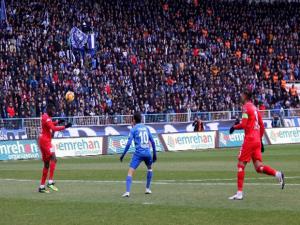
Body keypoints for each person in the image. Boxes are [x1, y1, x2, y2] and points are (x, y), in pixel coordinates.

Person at [228, 90, 285, 200]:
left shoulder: (245, 107)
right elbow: (262, 126)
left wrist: (234, 127)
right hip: (257, 141)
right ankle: (278, 174)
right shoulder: (255, 108)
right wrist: (260, 140)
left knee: (241, 165)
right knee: (259, 167)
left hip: (249, 140)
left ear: (245, 96)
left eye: (241, 95)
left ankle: (239, 193)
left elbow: (244, 124)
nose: (240, 96)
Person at [120, 112, 157, 197]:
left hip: (138, 153)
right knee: (150, 169)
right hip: (148, 153)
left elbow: (129, 143)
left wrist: (123, 155)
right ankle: (147, 189)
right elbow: (153, 142)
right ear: (141, 119)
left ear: (134, 120)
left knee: (130, 172)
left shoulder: (133, 129)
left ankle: (127, 192)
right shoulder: (146, 128)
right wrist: (155, 154)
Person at [38, 102, 72, 193]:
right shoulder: (46, 117)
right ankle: (50, 182)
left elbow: (50, 124)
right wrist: (65, 126)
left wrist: (57, 122)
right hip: (46, 143)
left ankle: (41, 187)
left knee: (46, 164)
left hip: (44, 141)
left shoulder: (46, 117)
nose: (54, 112)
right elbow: (53, 128)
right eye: (52, 110)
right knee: (54, 158)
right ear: (49, 110)